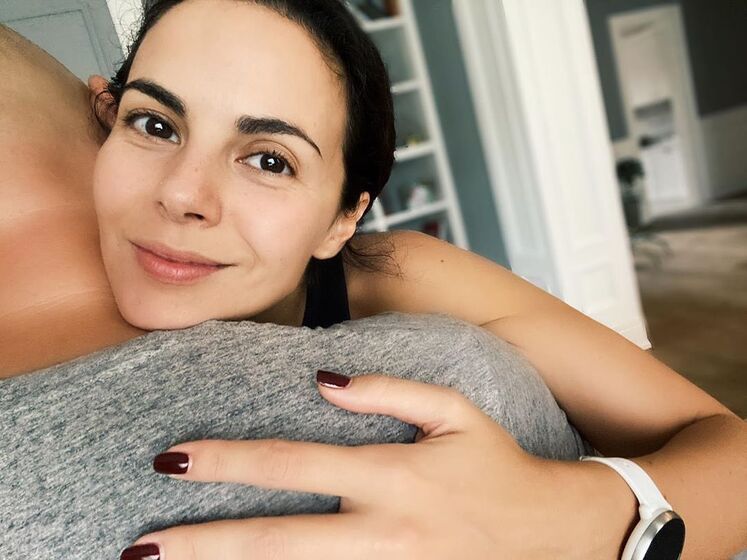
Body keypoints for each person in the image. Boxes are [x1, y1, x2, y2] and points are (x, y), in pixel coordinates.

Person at [0, 1, 745, 559]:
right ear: (105, 122)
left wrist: (571, 517)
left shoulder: (398, 274)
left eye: (270, 160)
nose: (181, 195)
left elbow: (729, 449)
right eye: (156, 125)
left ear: (342, 217)